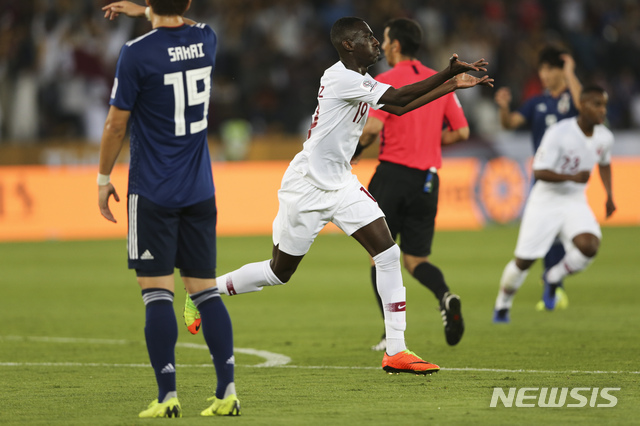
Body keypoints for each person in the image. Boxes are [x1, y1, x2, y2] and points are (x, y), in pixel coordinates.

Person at [187, 16, 492, 375]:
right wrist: (446, 74)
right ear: (348, 45)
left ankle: (396, 350)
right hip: (307, 187)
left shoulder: (361, 79)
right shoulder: (340, 78)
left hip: (342, 183)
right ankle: (203, 292)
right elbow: (397, 98)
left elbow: (398, 108)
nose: (376, 42)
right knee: (279, 272)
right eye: (367, 37)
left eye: (377, 37)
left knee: (388, 254)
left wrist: (452, 84)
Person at [97, 0, 239, 417]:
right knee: (206, 292)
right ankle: (227, 390)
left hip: (153, 191)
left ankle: (168, 396)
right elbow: (186, 23)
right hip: (199, 190)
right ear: (189, 4)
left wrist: (103, 178)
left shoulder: (137, 52)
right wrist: (152, 10)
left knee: (157, 293)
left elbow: (115, 124)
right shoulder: (206, 39)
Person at [352, 18, 467, 351]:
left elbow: (372, 130)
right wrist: (428, 141)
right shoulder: (438, 80)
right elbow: (461, 132)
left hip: (392, 175)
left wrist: (353, 153)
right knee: (416, 260)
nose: (382, 47)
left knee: (379, 258)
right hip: (428, 179)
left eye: (384, 41)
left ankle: (391, 333)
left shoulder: (385, 81)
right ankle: (445, 296)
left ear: (396, 45)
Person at [493, 85, 615, 323]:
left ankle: (553, 276)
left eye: (604, 105)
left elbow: (605, 162)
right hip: (545, 200)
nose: (602, 110)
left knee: (589, 246)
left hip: (575, 200)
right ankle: (502, 305)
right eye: (596, 104)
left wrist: (610, 195)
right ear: (582, 105)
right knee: (524, 261)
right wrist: (571, 177)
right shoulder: (559, 132)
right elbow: (538, 171)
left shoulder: (605, 136)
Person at [494, 45, 583, 311]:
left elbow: (584, 108)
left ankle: (555, 286)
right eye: (541, 69)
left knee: (570, 236)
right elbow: (510, 123)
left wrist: (570, 73)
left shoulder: (572, 98)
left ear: (560, 70)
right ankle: (553, 289)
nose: (543, 75)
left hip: (569, 178)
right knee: (544, 236)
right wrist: (503, 107)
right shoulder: (536, 102)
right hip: (543, 180)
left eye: (549, 69)